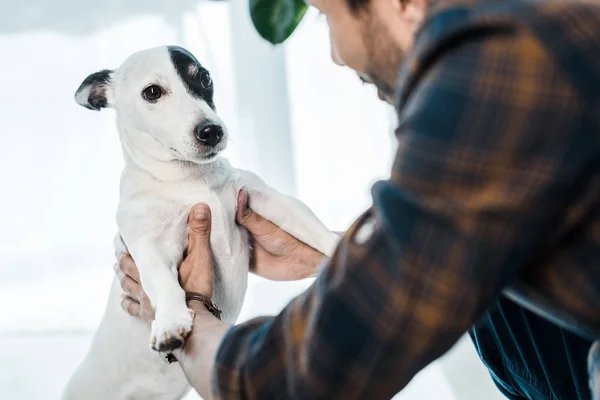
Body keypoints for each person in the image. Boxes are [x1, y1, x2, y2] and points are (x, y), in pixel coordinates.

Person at [116, 0, 600, 398]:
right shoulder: (547, 32)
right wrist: (326, 254)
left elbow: (297, 382)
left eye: (329, 17)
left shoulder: (497, 66)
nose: (335, 55)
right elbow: (467, 237)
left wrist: (186, 318)